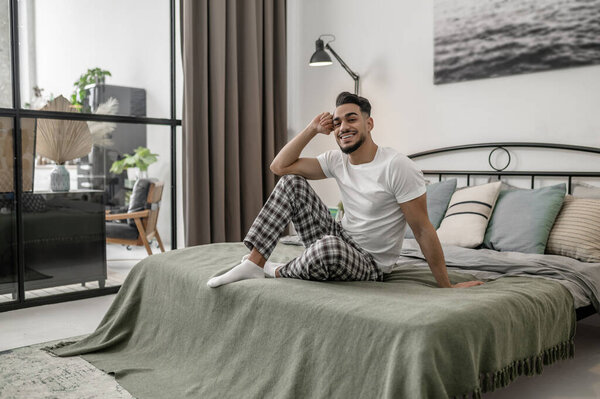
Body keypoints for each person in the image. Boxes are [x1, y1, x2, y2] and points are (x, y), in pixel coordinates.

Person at [207, 92, 483, 289]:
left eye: (351, 119)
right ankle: (255, 263)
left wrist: (446, 286)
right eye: (337, 122)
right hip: (340, 236)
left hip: (371, 264)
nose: (343, 128)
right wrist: (312, 129)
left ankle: (276, 269)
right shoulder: (336, 160)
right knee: (292, 182)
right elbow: (279, 167)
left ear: (369, 123)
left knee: (329, 248)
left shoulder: (397, 166)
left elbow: (423, 229)